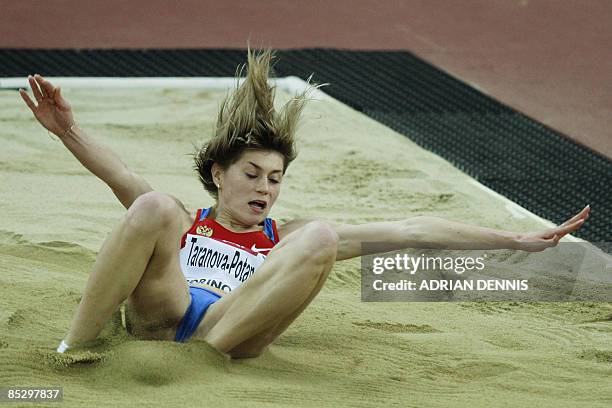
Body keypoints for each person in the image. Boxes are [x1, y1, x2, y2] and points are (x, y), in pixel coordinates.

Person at [19, 48, 590, 359]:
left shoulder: (282, 238)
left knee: (319, 234)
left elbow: (411, 226)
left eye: (275, 177)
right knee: (151, 205)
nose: (265, 188)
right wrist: (66, 131)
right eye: (252, 173)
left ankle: (200, 368)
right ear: (218, 174)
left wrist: (514, 240)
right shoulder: (186, 222)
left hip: (223, 332)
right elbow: (116, 170)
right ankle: (76, 346)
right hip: (157, 317)